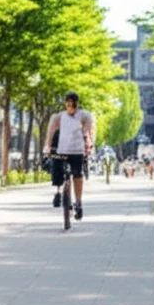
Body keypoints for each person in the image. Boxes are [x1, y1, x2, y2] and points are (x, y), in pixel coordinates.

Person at [45, 92, 95, 220]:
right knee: (57, 168)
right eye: (68, 104)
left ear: (77, 104)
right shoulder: (59, 116)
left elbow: (90, 128)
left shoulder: (84, 115)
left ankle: (78, 202)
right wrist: (48, 145)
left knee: (78, 175)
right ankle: (58, 192)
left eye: (72, 104)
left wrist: (88, 142)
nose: (70, 107)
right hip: (62, 150)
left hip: (77, 151)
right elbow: (51, 130)